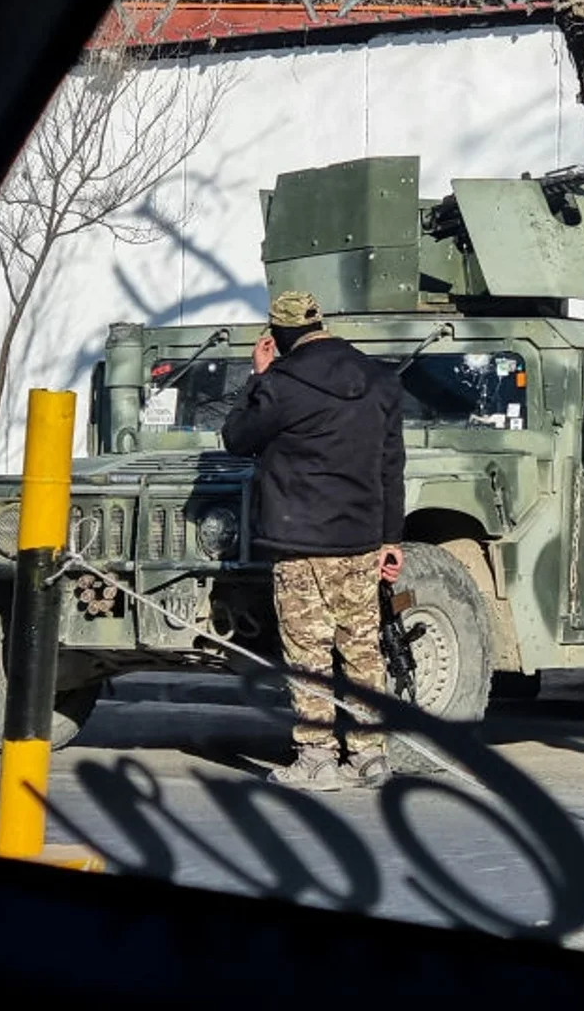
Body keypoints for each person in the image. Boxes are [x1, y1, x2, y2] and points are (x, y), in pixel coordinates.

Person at [221, 290, 407, 792]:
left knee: (308, 652)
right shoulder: (380, 380)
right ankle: (370, 757)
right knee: (363, 648)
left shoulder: (282, 383)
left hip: (300, 542)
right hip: (362, 541)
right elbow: (392, 466)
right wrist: (392, 538)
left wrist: (256, 378)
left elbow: (237, 437)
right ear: (320, 323)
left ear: (279, 335)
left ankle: (317, 758)